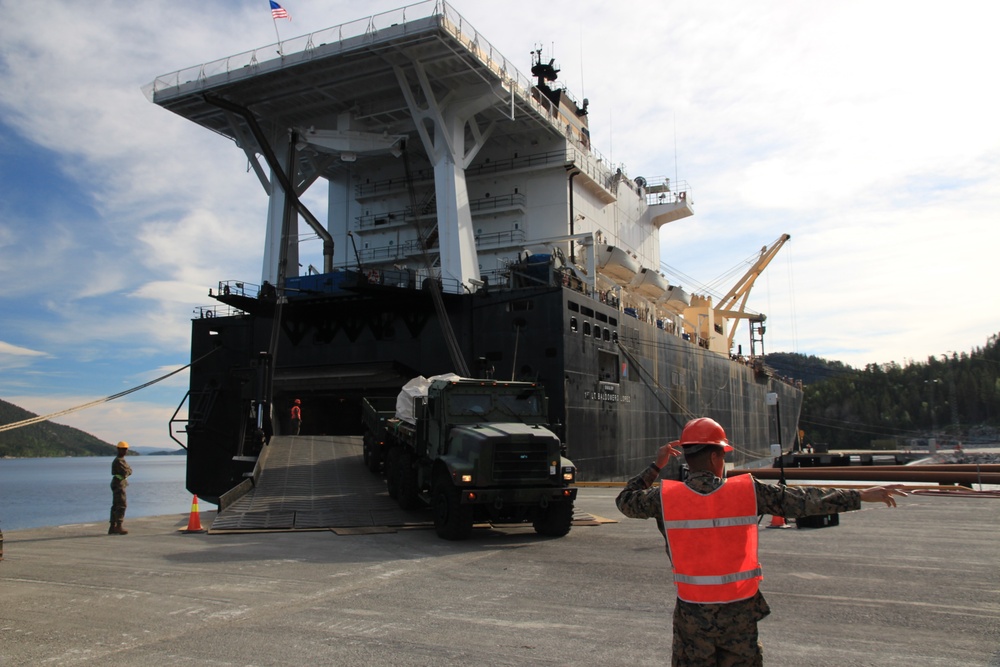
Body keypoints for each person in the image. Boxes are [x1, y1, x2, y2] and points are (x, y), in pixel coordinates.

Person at [616, 417, 906, 666]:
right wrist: (862, 495)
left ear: (688, 458)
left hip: (692, 615)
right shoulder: (747, 493)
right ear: (718, 457)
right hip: (739, 615)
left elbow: (625, 500)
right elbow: (804, 502)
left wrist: (656, 466)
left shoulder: (666, 499)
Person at [109, 441, 133, 535]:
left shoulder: (121, 460)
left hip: (119, 483)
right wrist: (128, 471)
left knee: (116, 505)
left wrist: (128, 471)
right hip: (118, 483)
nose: (125, 451)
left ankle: (112, 527)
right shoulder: (119, 460)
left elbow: (129, 470)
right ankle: (118, 526)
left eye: (126, 449)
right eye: (123, 449)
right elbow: (126, 471)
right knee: (121, 505)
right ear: (118, 449)